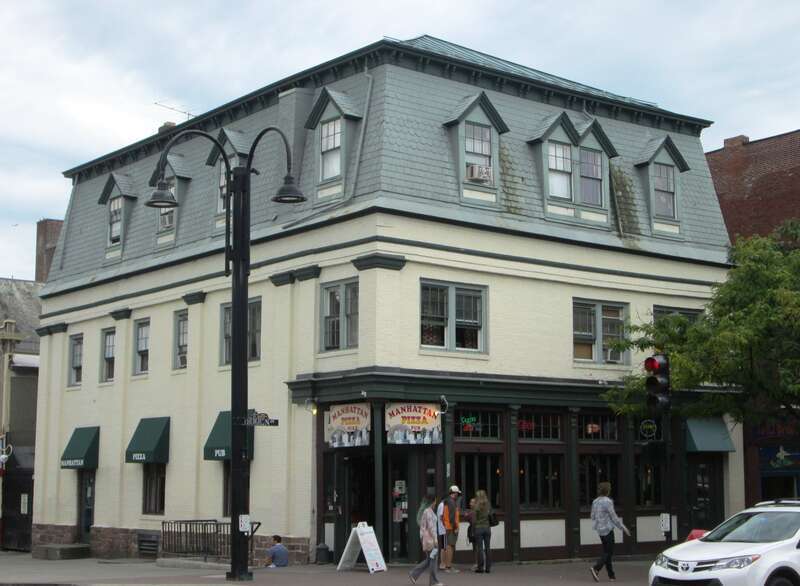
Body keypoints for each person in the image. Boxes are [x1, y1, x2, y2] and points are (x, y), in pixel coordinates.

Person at [590, 482, 630, 581]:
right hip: (608, 530)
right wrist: (623, 528)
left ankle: (611, 575)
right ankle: (596, 568)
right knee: (608, 552)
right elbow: (614, 518)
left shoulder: (595, 502)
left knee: (606, 552)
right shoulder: (608, 502)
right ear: (607, 491)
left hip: (600, 530)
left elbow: (592, 516)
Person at [409, 497, 444, 586]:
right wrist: (435, 540)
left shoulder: (425, 511)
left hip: (426, 539)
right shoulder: (428, 512)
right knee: (433, 560)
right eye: (435, 500)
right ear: (433, 501)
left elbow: (423, 526)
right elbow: (431, 527)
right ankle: (433, 581)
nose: (436, 502)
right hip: (431, 539)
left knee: (429, 560)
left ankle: (414, 574)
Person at [440, 485, 461, 573]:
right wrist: (455, 527)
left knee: (447, 546)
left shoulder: (446, 501)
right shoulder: (452, 502)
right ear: (454, 493)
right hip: (451, 528)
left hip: (447, 527)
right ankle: (448, 567)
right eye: (457, 493)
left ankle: (446, 565)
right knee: (450, 546)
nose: (458, 495)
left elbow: (443, 516)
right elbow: (452, 517)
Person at [472, 490, 492, 573]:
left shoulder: (476, 506)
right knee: (488, 548)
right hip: (487, 528)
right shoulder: (488, 505)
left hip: (479, 528)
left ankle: (480, 568)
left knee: (480, 548)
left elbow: (474, 520)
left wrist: (473, 529)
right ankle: (488, 568)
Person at [436, 497, 447, 570]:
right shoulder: (442, 505)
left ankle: (443, 563)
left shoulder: (440, 505)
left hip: (441, 529)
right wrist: (446, 525)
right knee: (444, 547)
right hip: (443, 529)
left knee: (443, 547)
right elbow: (441, 516)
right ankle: (442, 563)